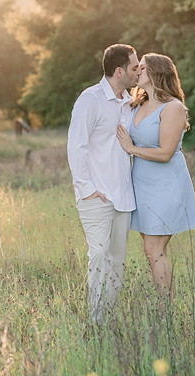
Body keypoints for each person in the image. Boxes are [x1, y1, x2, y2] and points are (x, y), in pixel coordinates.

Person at [115, 53, 195, 299]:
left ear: (156, 72)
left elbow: (165, 153)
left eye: (142, 67)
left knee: (155, 248)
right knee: (149, 248)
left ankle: (165, 309)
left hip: (166, 185)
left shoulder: (173, 107)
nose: (137, 71)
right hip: (141, 184)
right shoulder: (136, 104)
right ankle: (164, 302)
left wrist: (131, 149)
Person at [67, 43, 140, 325]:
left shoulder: (131, 101)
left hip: (123, 196)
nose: (138, 72)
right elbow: (77, 147)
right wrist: (86, 190)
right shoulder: (91, 100)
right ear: (120, 71)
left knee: (117, 264)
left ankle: (107, 319)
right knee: (98, 254)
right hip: (96, 196)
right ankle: (95, 322)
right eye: (134, 67)